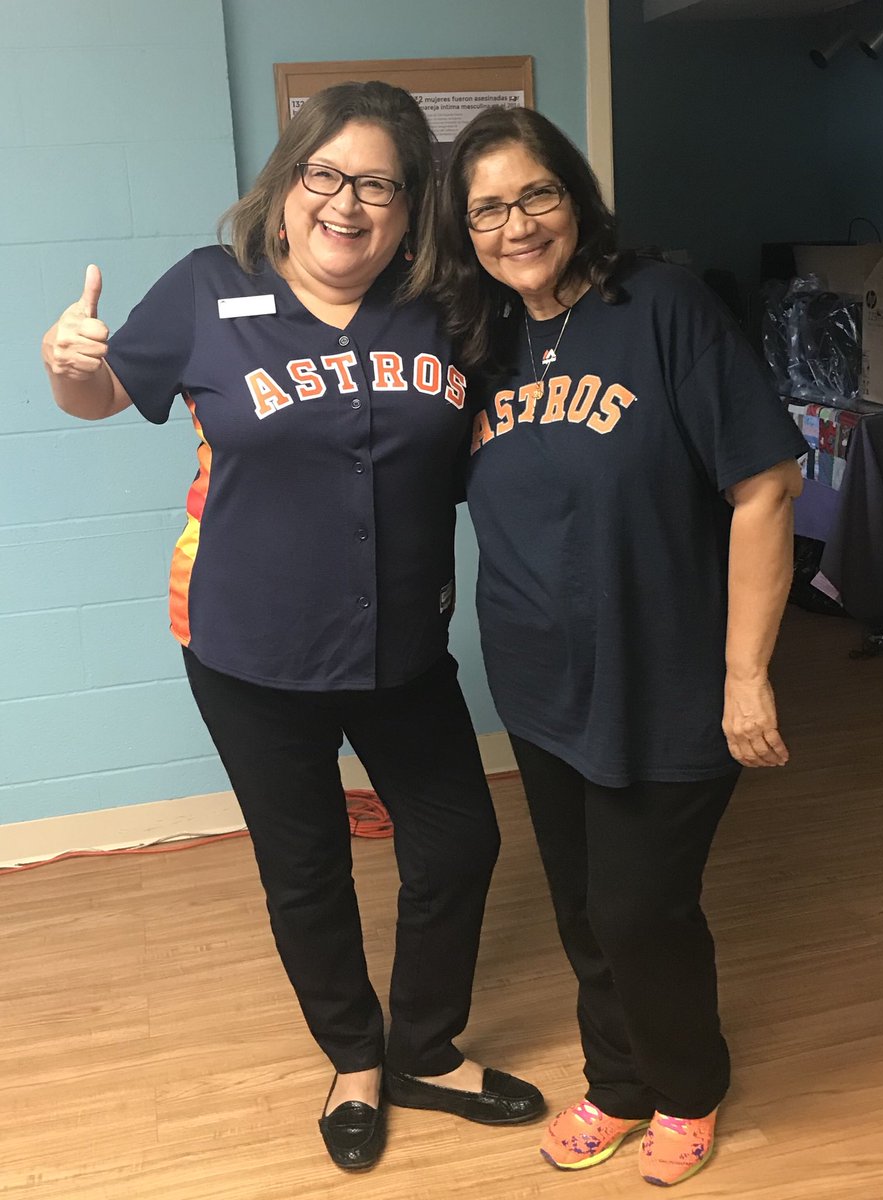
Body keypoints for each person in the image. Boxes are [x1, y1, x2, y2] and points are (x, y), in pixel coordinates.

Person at [41, 81, 544, 1173]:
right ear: (286, 184)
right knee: (306, 868)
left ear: (408, 211)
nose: (346, 203)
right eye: (326, 174)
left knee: (460, 841)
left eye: (379, 186)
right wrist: (66, 368)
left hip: (402, 648)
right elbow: (100, 395)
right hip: (250, 653)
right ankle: (354, 1059)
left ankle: (423, 1049)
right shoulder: (206, 289)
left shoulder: (444, 308)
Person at [435, 106, 807, 1188]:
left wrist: (745, 674)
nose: (515, 226)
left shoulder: (662, 307)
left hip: (667, 675)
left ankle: (686, 1087)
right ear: (463, 230)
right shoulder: (478, 340)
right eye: (487, 210)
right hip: (539, 683)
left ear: (576, 197)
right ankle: (617, 1080)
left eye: (536, 195)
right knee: (581, 904)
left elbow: (764, 487)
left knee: (639, 908)